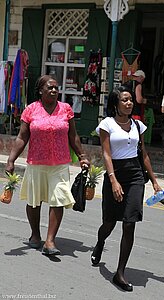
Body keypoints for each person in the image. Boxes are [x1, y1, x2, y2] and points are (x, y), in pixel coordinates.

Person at [5, 75, 89, 256]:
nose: (54, 90)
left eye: (56, 88)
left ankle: (50, 241)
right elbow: (22, 137)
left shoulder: (65, 109)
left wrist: (82, 156)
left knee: (58, 199)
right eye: (50, 87)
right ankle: (35, 235)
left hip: (60, 164)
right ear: (41, 90)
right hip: (36, 163)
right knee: (34, 201)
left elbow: (73, 136)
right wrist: (11, 160)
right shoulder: (31, 110)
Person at [91, 85, 161, 291]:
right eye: (125, 100)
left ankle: (120, 272)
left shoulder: (138, 125)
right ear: (115, 104)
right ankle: (100, 242)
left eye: (131, 99)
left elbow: (144, 154)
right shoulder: (107, 124)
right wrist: (113, 180)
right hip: (116, 173)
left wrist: (155, 181)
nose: (129, 103)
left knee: (130, 223)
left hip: (135, 175)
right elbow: (106, 154)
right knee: (109, 222)